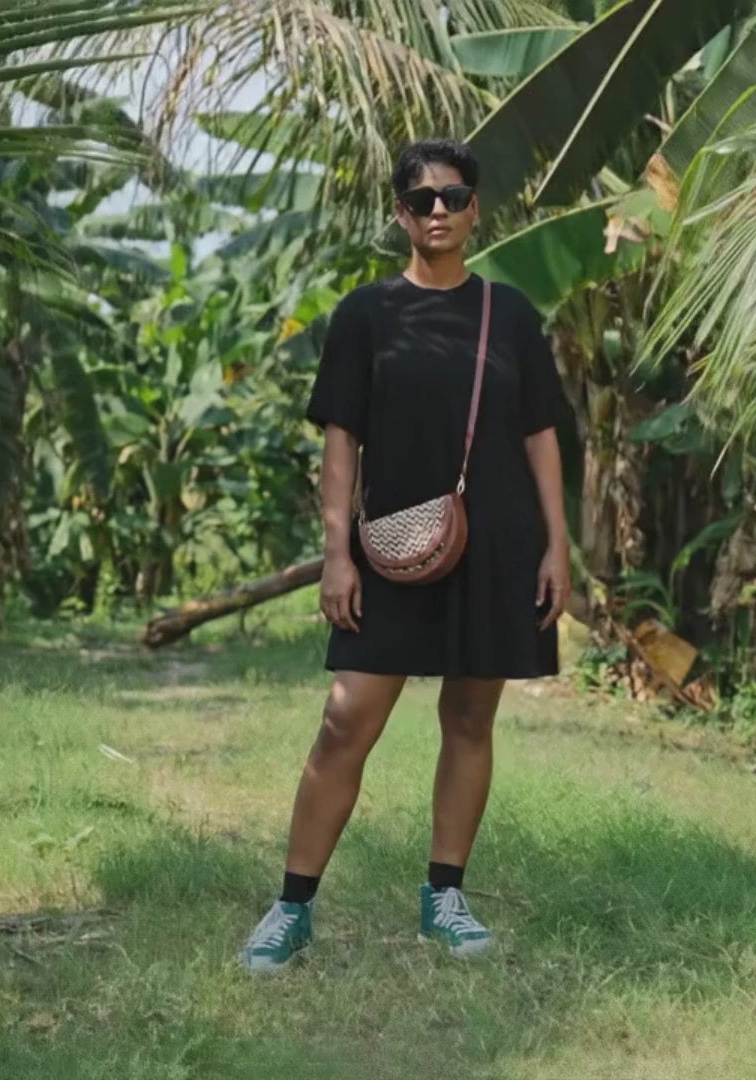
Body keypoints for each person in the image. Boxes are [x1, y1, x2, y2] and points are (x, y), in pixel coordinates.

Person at [239, 138, 572, 972]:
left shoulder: (510, 314)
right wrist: (337, 553)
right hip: (389, 547)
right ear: (400, 213)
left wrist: (558, 546)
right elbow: (340, 441)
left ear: (475, 210)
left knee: (470, 718)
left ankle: (445, 897)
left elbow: (541, 435)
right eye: (421, 200)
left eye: (453, 197)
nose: (438, 212)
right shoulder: (366, 314)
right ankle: (291, 907)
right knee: (346, 719)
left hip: (497, 543)